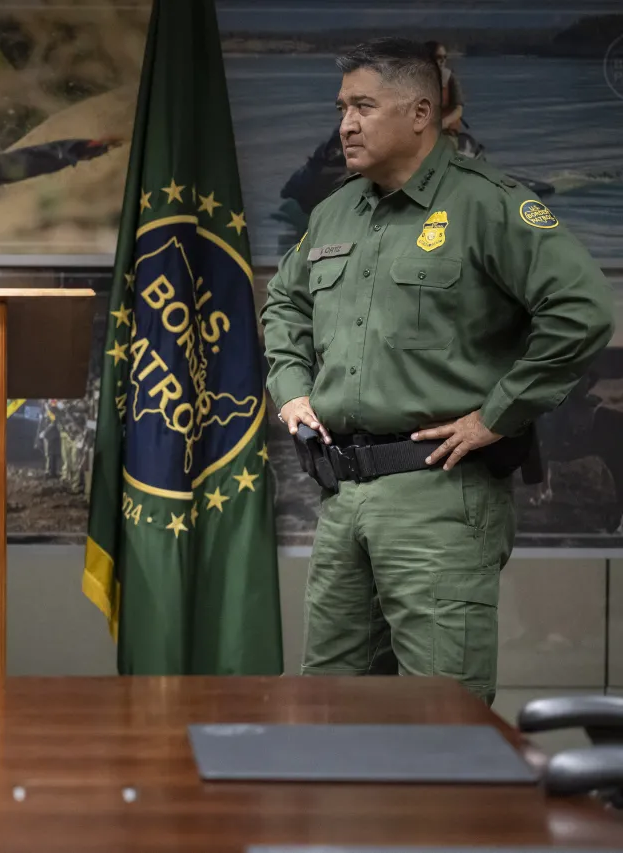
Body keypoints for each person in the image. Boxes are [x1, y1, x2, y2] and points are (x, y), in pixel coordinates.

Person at [260, 38, 613, 706]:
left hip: (438, 495)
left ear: (420, 112)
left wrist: (498, 413)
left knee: (442, 719)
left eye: (363, 105)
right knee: (330, 713)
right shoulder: (335, 213)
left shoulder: (487, 204)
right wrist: (292, 390)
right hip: (341, 499)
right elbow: (284, 304)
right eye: (342, 107)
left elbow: (582, 311)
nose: (345, 124)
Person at [424, 41, 464, 141]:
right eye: (439, 57)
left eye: (445, 57)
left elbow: (458, 109)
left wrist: (445, 122)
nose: (443, 61)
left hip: (447, 131)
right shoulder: (417, 80)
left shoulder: (450, 78)